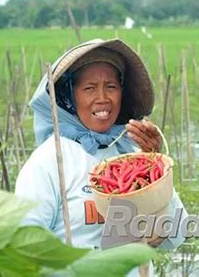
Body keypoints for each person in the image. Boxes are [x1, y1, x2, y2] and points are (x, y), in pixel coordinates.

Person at [15, 39, 187, 254]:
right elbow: (26, 246)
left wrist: (155, 165)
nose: (103, 98)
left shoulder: (133, 157)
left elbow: (177, 235)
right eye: (89, 88)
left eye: (111, 87)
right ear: (68, 98)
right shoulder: (49, 161)